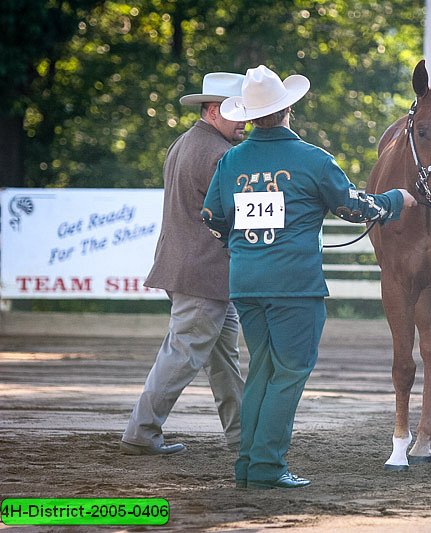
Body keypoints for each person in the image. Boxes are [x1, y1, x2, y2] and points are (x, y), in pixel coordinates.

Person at [202, 65, 416, 489]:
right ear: (287, 111)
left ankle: (248, 463)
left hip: (245, 282)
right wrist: (395, 200)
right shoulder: (313, 160)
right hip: (294, 285)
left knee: (262, 368)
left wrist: (243, 244)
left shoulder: (231, 160)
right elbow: (354, 207)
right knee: (291, 370)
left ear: (249, 115)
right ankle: (266, 465)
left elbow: (211, 217)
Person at [121, 72, 248, 455]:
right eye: (236, 112)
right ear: (212, 111)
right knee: (183, 353)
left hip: (190, 268)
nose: (244, 120)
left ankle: (243, 437)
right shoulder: (220, 155)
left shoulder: (185, 142)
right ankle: (141, 431)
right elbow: (236, 214)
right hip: (203, 272)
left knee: (223, 357)